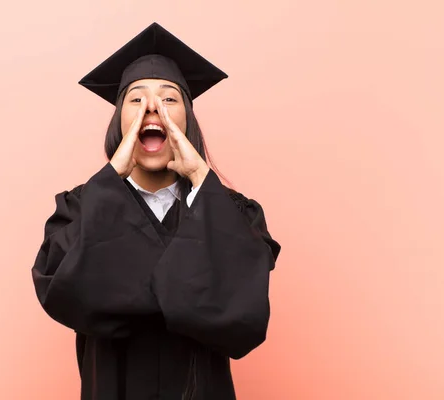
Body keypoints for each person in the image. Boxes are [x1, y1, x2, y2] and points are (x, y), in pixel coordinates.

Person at [31, 22, 281, 400]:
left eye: (168, 99)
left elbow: (244, 317)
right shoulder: (81, 207)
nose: (152, 108)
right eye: (135, 99)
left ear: (187, 119)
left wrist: (200, 175)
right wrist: (112, 177)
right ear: (118, 119)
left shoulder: (230, 212)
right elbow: (65, 293)